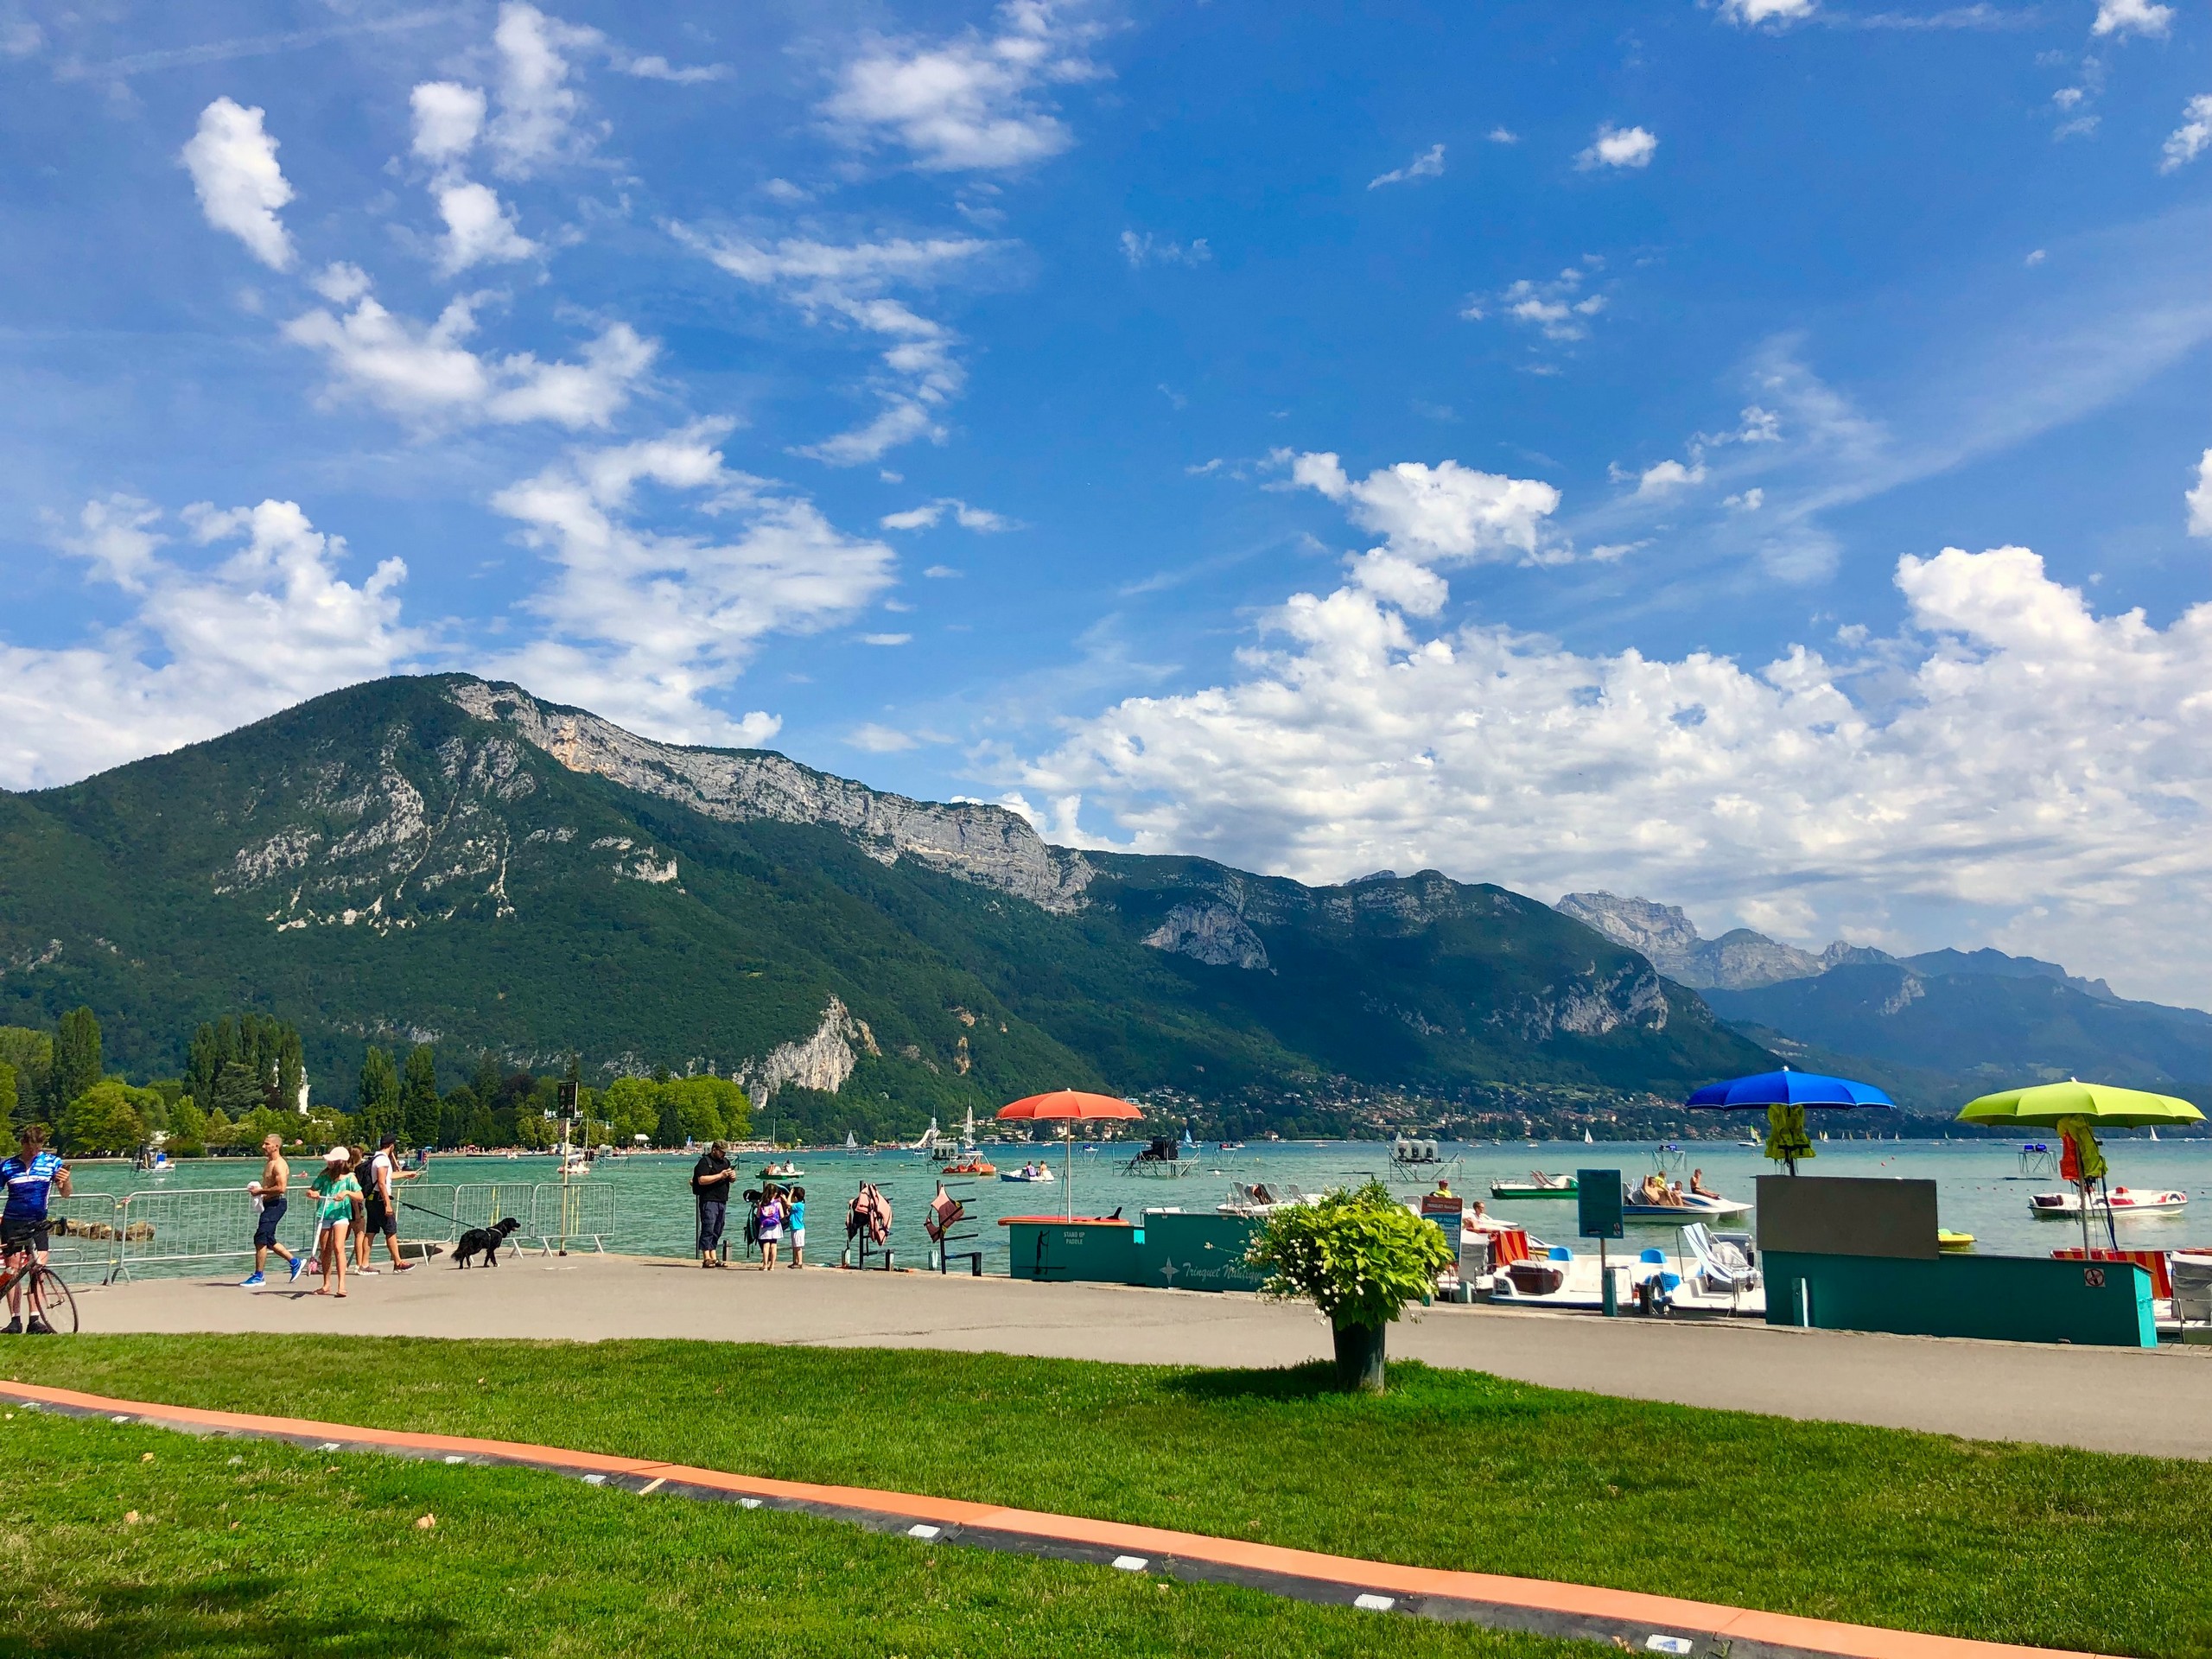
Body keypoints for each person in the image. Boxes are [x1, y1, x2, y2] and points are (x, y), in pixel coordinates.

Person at [1, 1123, 69, 1334]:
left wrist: (66, 1182)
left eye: (38, 1148)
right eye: (31, 1148)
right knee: (12, 1272)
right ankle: (14, 1320)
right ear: (23, 1143)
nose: (34, 1152)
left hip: (38, 1223)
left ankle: (34, 1319)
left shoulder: (52, 1163)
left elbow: (66, 1193)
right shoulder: (7, 1166)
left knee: (37, 1270)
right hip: (13, 1222)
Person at [240, 1134, 303, 1287]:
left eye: (267, 1144)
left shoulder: (279, 1164)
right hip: (269, 1204)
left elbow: (281, 1188)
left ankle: (259, 1275)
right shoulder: (269, 1163)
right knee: (267, 1239)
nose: (263, 1146)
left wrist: (260, 1192)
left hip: (276, 1204)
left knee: (260, 1238)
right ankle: (295, 1262)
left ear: (276, 1146)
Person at [359, 1135, 418, 1275]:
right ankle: (398, 1263)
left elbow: (387, 1176)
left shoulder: (376, 1158)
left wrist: (405, 1174)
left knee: (371, 1231)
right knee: (390, 1230)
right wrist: (388, 1204)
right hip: (380, 1200)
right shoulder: (383, 1161)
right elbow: (382, 1182)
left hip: (372, 1199)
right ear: (392, 1146)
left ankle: (364, 1264)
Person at [309, 1147, 361, 1298]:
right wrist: (313, 1193)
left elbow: (359, 1195)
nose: (329, 1162)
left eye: (332, 1160)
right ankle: (326, 1284)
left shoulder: (350, 1177)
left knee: (339, 1247)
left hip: (341, 1215)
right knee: (325, 1249)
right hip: (324, 1213)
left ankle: (342, 1285)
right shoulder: (325, 1175)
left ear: (339, 1162)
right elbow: (312, 1189)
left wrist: (346, 1193)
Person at [692, 1141, 734, 1268]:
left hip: (722, 1199)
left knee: (718, 1228)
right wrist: (720, 1175)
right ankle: (706, 1257)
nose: (723, 1154)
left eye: (725, 1152)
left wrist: (732, 1176)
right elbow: (701, 1180)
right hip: (708, 1199)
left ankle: (714, 1257)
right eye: (721, 1151)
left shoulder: (726, 1162)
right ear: (714, 1149)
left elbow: (730, 1179)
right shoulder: (705, 1162)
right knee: (708, 1227)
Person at [757, 1183, 784, 1271]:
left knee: (766, 1245)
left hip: (765, 1226)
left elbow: (758, 1215)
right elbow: (782, 1216)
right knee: (774, 1245)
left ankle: (764, 1265)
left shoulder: (761, 1203)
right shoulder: (777, 1203)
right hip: (775, 1226)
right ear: (775, 1193)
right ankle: (772, 1266)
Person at [787, 1185, 805, 1268]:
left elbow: (788, 1203)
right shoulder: (797, 1205)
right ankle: (795, 1261)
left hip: (798, 1228)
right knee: (795, 1246)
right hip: (794, 1227)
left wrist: (790, 1194)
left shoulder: (799, 1205)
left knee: (798, 1246)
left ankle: (800, 1262)